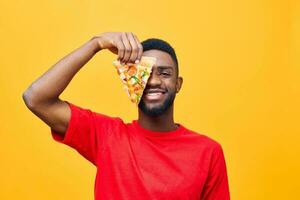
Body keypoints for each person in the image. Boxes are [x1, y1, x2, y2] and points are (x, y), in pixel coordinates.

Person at [22, 32, 230, 200]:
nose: (154, 81)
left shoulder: (208, 151)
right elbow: (36, 98)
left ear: (178, 84)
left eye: (165, 73)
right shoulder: (107, 135)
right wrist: (96, 43)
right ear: (130, 82)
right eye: (144, 73)